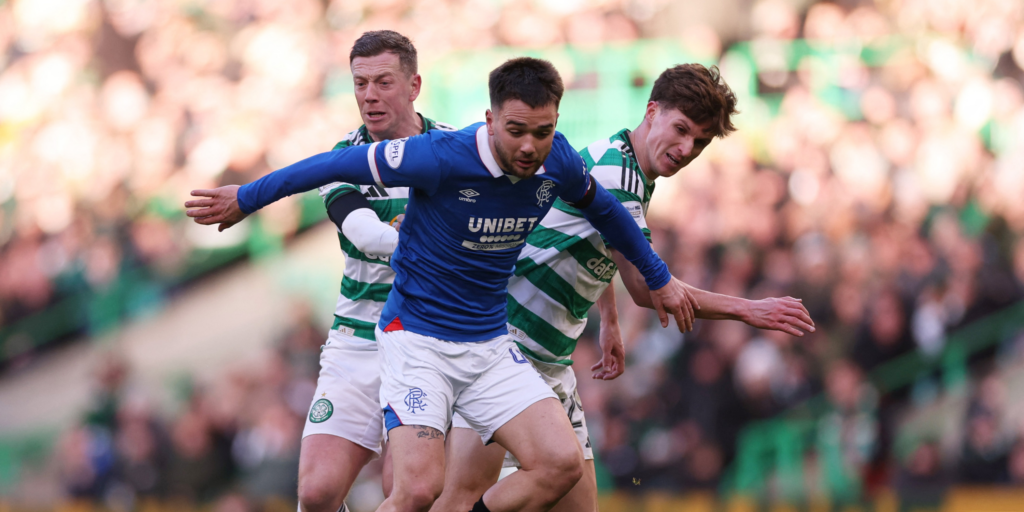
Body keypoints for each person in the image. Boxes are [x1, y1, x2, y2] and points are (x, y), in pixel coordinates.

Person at [185, 57, 698, 512]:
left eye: (541, 132)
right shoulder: (441, 155)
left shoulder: (559, 160)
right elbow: (326, 166)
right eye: (515, 129)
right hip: (418, 341)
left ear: (556, 124)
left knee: (560, 463)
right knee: (415, 492)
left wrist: (659, 279)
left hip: (491, 344)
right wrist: (247, 197)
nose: (528, 146)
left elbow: (609, 215)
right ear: (491, 119)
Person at [432, 63, 816, 512]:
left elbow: (597, 240)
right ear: (652, 110)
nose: (687, 148)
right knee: (469, 494)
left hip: (549, 358)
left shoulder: (625, 165)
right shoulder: (618, 175)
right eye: (681, 129)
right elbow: (648, 288)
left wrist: (608, 320)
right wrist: (749, 310)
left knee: (578, 504)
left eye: (700, 141)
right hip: (506, 347)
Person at [295, 31, 456, 512]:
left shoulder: (455, 150)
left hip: (429, 342)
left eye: (383, 82)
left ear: (414, 85)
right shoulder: (343, 158)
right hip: (358, 338)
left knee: (406, 490)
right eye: (360, 83)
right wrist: (418, 238)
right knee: (317, 492)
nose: (369, 95)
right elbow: (364, 232)